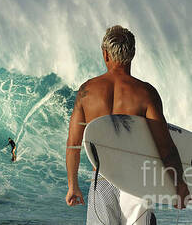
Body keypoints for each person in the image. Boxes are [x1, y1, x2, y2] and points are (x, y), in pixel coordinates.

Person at [65, 25, 190, 224]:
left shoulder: (87, 92)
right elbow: (165, 147)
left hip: (103, 179)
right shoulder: (146, 93)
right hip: (137, 183)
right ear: (132, 54)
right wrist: (179, 184)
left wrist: (73, 185)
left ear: (105, 54)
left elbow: (73, 145)